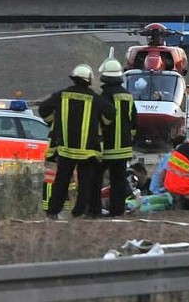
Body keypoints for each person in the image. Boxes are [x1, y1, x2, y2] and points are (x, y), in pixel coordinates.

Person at [39, 63, 115, 220]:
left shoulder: (62, 95)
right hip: (88, 151)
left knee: (61, 180)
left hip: (66, 149)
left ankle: (53, 211)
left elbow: (43, 108)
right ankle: (79, 212)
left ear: (74, 78)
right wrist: (102, 123)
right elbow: (110, 112)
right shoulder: (94, 98)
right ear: (88, 80)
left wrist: (52, 121)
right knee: (85, 181)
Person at [97, 57, 138, 217]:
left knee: (96, 178)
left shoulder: (103, 96)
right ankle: (117, 211)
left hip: (106, 147)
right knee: (119, 181)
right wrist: (129, 139)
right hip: (124, 147)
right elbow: (134, 122)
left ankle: (94, 209)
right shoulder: (128, 96)